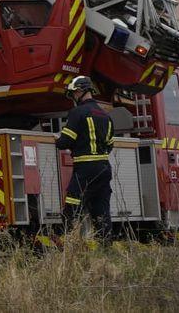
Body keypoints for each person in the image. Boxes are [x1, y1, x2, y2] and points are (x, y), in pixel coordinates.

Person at [56, 75, 113, 240]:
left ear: (80, 91)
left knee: (72, 206)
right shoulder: (105, 115)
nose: (73, 97)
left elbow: (65, 141)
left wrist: (56, 140)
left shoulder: (77, 112)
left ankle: (68, 242)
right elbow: (110, 144)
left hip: (85, 169)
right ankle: (105, 246)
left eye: (73, 93)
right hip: (104, 168)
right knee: (101, 209)